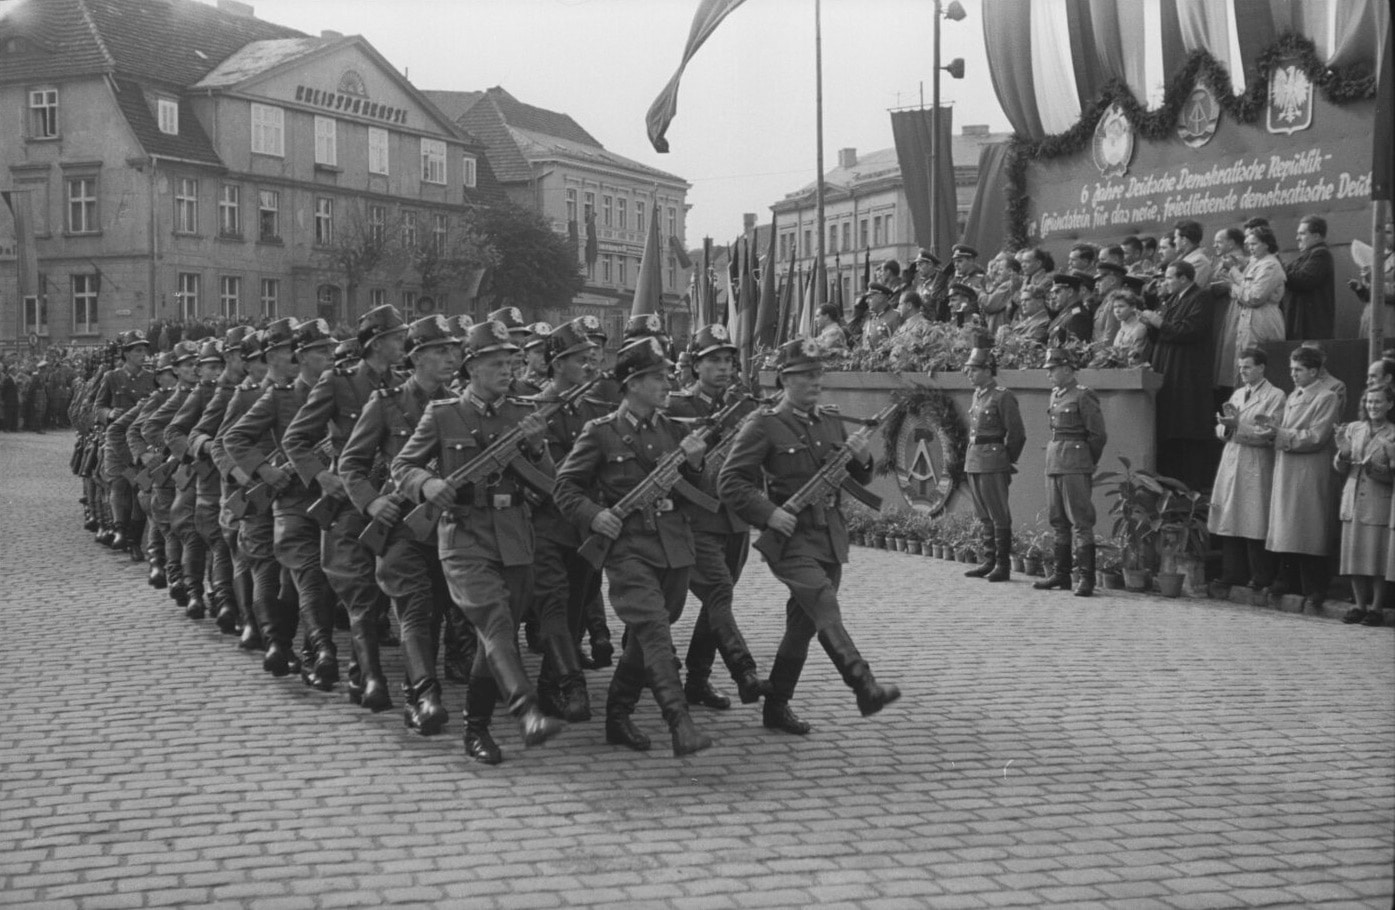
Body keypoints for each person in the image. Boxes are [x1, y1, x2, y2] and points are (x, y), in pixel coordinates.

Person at [392, 319, 564, 764]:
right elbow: (403, 466)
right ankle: (525, 710)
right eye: (496, 362)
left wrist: (536, 447)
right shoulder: (445, 413)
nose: (508, 369)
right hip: (464, 533)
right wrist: (427, 486)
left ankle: (476, 725)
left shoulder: (521, 414)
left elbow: (549, 485)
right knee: (495, 624)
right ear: (471, 368)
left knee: (496, 635)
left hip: (514, 536)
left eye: (511, 361)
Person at [718, 337, 900, 734]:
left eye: (819, 373)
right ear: (784, 379)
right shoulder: (763, 424)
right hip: (789, 536)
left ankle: (776, 706)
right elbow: (730, 481)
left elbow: (860, 478)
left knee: (802, 626)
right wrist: (770, 513)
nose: (815, 381)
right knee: (822, 601)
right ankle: (863, 685)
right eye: (805, 375)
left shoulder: (830, 419)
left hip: (829, 535)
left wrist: (861, 457)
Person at [553, 337, 714, 757]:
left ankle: (618, 714)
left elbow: (700, 493)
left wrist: (695, 465)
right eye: (658, 377)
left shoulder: (677, 432)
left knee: (649, 634)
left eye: (666, 376)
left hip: (674, 547)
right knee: (656, 631)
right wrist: (594, 515)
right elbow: (565, 487)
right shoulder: (602, 432)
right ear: (632, 383)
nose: (667, 384)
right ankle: (679, 723)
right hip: (627, 548)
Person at [338, 315, 463, 734]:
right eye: (440, 351)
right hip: (400, 527)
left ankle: (420, 686)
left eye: (453, 350)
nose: (451, 358)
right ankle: (424, 696)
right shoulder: (387, 402)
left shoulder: (458, 404)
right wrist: (371, 504)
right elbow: (351, 464)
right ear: (416, 357)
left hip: (446, 527)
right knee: (414, 607)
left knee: (439, 612)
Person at [283, 304, 407, 710]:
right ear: (375, 343)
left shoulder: (403, 385)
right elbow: (296, 439)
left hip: (389, 498)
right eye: (395, 338)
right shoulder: (338, 383)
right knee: (359, 591)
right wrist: (321, 476)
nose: (402, 343)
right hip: (350, 499)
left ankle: (363, 670)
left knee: (389, 589)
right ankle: (368, 676)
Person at [224, 318, 340, 686]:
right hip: (282, 496)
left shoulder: (340, 390)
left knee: (299, 582)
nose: (330, 358)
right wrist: (259, 473)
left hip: (330, 496)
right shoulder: (265, 396)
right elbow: (227, 440)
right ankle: (294, 644)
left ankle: (293, 643)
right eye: (321, 351)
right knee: (276, 568)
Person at [666, 324, 767, 711]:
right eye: (713, 361)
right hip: (695, 518)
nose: (723, 368)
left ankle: (697, 680)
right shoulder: (676, 407)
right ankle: (744, 672)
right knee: (719, 593)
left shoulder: (746, 407)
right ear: (695, 365)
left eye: (727, 360)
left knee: (716, 603)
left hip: (735, 520)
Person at [527, 317, 614, 725]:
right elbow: (550, 476)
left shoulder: (593, 408)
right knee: (555, 606)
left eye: (591, 357)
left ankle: (550, 686)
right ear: (557, 363)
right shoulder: (539, 409)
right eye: (580, 358)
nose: (590, 364)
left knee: (579, 606)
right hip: (548, 524)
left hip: (585, 528)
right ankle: (571, 683)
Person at [1265, 346, 1341, 612]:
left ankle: (1315, 586)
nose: (1293, 375)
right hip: (1288, 466)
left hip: (1309, 468)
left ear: (1313, 371)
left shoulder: (1326, 397)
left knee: (1308, 524)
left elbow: (1318, 436)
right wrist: (1272, 429)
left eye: (1298, 370)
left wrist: (1282, 434)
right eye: (1291, 369)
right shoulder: (1292, 395)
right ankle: (1288, 580)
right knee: (1288, 523)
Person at [1207, 347, 1286, 597]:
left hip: (1255, 461)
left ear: (1261, 368)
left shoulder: (1276, 396)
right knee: (1230, 515)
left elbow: (1268, 433)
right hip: (1233, 459)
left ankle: (1260, 575)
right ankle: (1232, 573)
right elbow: (1222, 429)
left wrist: (1238, 426)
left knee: (1254, 517)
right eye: (1241, 367)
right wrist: (1226, 428)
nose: (1243, 371)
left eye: (1248, 367)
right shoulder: (1239, 393)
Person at [1034, 347, 1107, 597]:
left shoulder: (1083, 395)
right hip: (1055, 460)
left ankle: (1086, 578)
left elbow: (1097, 435)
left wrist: (1087, 460)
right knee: (1058, 520)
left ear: (1067, 369)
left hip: (1075, 462)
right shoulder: (1055, 395)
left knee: (1080, 520)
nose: (1049, 374)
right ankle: (1061, 574)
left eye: (1053, 369)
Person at [1138, 260, 1216, 491]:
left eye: (1170, 278)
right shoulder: (1170, 300)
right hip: (1166, 367)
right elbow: (1160, 335)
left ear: (1184, 278)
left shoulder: (1200, 297)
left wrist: (1157, 321)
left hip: (1186, 372)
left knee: (1184, 430)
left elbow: (1189, 330)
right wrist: (1151, 323)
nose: (1165, 283)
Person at [961, 347, 1026, 582]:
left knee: (998, 514)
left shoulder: (1002, 395)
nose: (969, 373)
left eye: (974, 369)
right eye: (968, 369)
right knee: (983, 514)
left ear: (988, 370)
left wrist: (1005, 459)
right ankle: (989, 560)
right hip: (975, 458)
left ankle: (1002, 565)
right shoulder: (978, 395)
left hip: (993, 459)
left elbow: (1017, 434)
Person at [1335, 383, 1395, 625]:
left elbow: (1392, 475)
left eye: (1378, 401)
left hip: (1378, 499)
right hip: (1353, 497)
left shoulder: (1392, 434)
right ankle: (1359, 606)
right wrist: (1343, 453)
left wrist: (1378, 468)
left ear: (1390, 404)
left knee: (1376, 556)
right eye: (1369, 402)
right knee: (1354, 554)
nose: (1372, 406)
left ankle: (1376, 608)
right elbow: (1340, 467)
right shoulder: (1353, 428)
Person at [1219, 225, 1287, 373]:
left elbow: (1255, 297)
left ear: (1267, 244)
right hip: (1249, 321)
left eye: (1254, 244)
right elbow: (1245, 288)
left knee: (1259, 368)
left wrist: (1232, 285)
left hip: (1262, 321)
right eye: (1248, 244)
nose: (1250, 248)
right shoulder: (1255, 263)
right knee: (1244, 369)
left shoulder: (1270, 265)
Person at [1284, 215, 1335, 341]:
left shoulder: (1321, 254)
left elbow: (1303, 280)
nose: (1297, 238)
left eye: (1302, 234)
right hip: (1303, 324)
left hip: (1311, 327)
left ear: (1316, 236)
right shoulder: (1308, 255)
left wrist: (1279, 269)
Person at [1046, 271, 1093, 344]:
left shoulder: (1078, 316)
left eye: (1058, 292)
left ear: (1070, 292)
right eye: (1053, 293)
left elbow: (1074, 350)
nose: (1054, 296)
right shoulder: (1066, 312)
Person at [1108, 290, 1150, 364]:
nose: (1117, 310)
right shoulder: (1121, 329)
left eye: (1121, 306)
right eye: (1115, 307)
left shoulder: (1139, 328)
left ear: (1132, 307)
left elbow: (1137, 359)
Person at [1172, 219, 1214, 289]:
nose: (1174, 241)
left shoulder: (1199, 261)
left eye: (1176, 237)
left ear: (1184, 240)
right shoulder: (1183, 259)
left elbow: (1189, 290)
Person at [858, 284, 900, 350]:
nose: (866, 301)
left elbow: (899, 344)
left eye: (870, 297)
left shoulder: (895, 316)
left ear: (880, 298)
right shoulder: (870, 318)